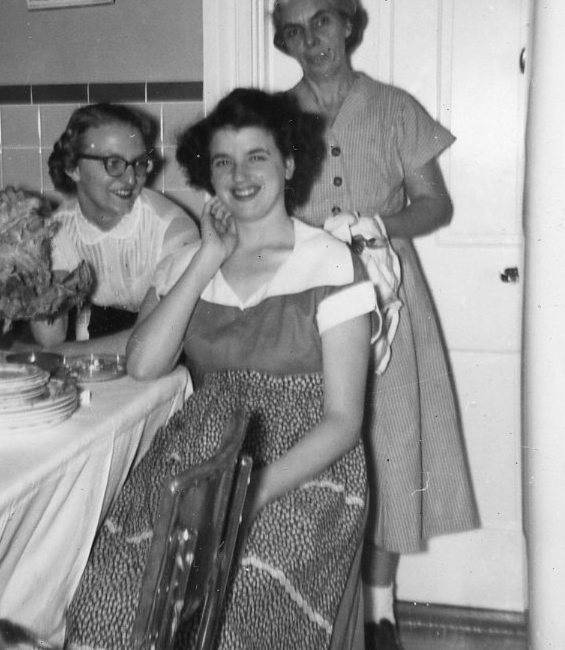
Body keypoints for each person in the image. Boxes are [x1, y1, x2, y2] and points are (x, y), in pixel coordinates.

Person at [66, 89, 378, 649]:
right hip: (199, 455)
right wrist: (208, 256)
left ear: (287, 163)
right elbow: (142, 365)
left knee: (238, 597)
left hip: (301, 469)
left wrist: (251, 493)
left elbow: (343, 422)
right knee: (111, 591)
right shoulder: (193, 259)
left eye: (257, 156)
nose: (239, 175)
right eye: (223, 161)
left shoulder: (330, 262)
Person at [272, 0, 479, 650]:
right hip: (308, 299)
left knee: (385, 444)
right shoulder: (274, 117)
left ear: (347, 21)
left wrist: (379, 226)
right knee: (317, 440)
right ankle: (313, 604)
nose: (311, 40)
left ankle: (380, 612)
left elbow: (435, 204)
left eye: (321, 22)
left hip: (389, 294)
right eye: (294, 31)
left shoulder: (393, 108)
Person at [29, 103, 198, 347]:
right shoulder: (58, 229)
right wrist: (33, 260)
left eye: (139, 163)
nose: (131, 179)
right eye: (114, 164)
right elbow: (50, 337)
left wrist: (65, 355)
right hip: (97, 349)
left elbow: (151, 342)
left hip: (166, 358)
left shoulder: (173, 231)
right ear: (72, 167)